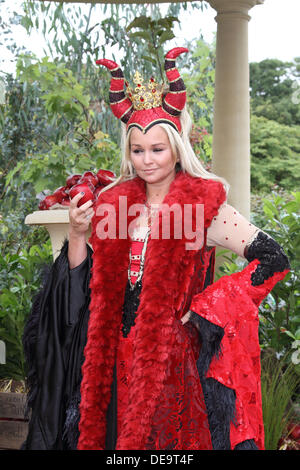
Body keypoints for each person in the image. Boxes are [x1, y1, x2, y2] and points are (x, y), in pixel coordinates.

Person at [22, 47, 291, 451]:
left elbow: (273, 260)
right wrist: (78, 236)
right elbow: (85, 293)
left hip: (172, 369)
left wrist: (207, 308)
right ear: (128, 153)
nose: (147, 160)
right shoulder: (116, 206)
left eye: (157, 149)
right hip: (112, 365)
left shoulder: (207, 210)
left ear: (177, 148)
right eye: (137, 150)